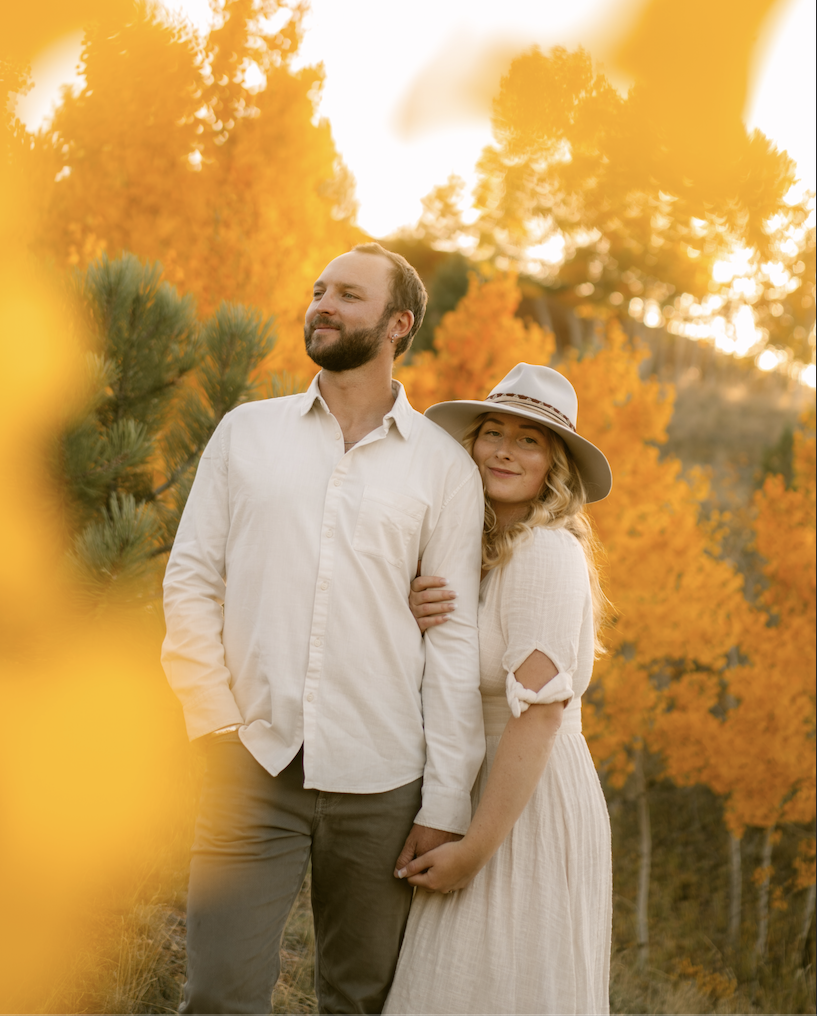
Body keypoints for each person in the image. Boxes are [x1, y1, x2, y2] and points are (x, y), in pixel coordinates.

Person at [160, 242, 486, 1014]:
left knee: (358, 998)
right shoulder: (247, 433)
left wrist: (444, 801)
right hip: (250, 764)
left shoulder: (443, 468)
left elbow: (452, 639)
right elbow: (192, 579)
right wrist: (212, 722)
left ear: (399, 323)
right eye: (318, 291)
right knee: (218, 993)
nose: (323, 306)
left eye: (347, 294)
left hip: (383, 783)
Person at [383, 362, 614, 1015]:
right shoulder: (478, 550)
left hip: (523, 802)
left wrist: (474, 850)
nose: (506, 450)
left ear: (555, 465)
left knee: (480, 987)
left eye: (529, 440)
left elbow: (539, 715)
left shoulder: (544, 551)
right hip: (480, 786)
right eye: (493, 432)